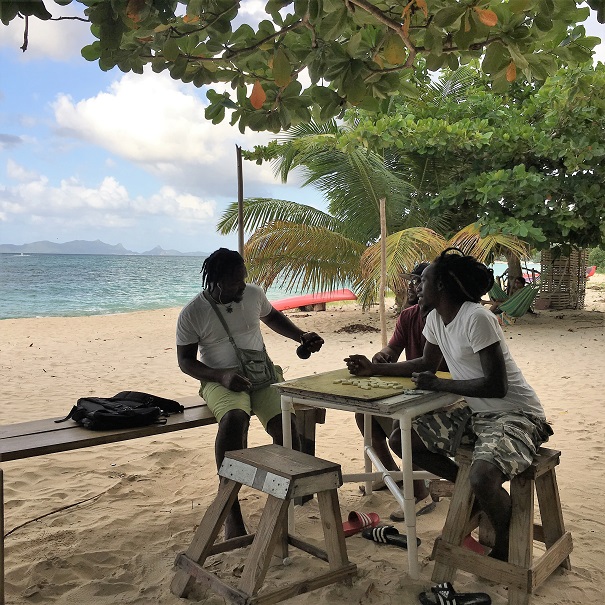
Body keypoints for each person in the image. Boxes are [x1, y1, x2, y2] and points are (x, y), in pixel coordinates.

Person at [345, 248, 552, 561]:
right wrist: (375, 368)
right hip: (479, 414)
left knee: (483, 476)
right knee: (403, 439)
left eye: (423, 281)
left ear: (440, 286)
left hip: (516, 413)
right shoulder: (436, 320)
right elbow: (426, 363)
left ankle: (504, 543)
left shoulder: (477, 317)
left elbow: (497, 386)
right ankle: (474, 493)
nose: (417, 286)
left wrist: (441, 384)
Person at [176, 248, 324, 539]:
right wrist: (221, 375)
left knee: (286, 429)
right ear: (215, 282)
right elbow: (186, 362)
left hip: (261, 374)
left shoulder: (253, 294)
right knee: (234, 420)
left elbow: (273, 318)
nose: (241, 286)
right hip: (220, 380)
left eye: (243, 280)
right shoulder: (193, 313)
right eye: (234, 283)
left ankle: (279, 504)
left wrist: (301, 336)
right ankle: (231, 510)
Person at [354, 263, 435, 517]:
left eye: (420, 282)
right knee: (363, 414)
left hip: (439, 389)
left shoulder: (443, 318)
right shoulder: (408, 316)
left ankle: (421, 493)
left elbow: (429, 365)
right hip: (414, 385)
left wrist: (378, 370)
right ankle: (392, 474)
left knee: (405, 426)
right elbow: (393, 350)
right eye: (413, 281)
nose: (414, 287)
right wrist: (381, 357)